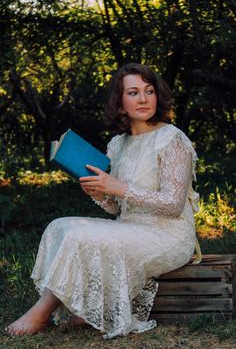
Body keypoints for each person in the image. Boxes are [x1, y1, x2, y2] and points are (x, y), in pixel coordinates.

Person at [5, 63, 200, 339]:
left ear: (158, 96)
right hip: (131, 226)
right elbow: (119, 209)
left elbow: (172, 204)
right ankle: (85, 310)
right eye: (133, 93)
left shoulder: (172, 139)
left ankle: (41, 314)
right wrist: (101, 194)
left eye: (149, 91)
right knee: (60, 226)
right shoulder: (118, 144)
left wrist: (117, 186)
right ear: (120, 102)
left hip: (168, 235)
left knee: (80, 235)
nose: (143, 99)